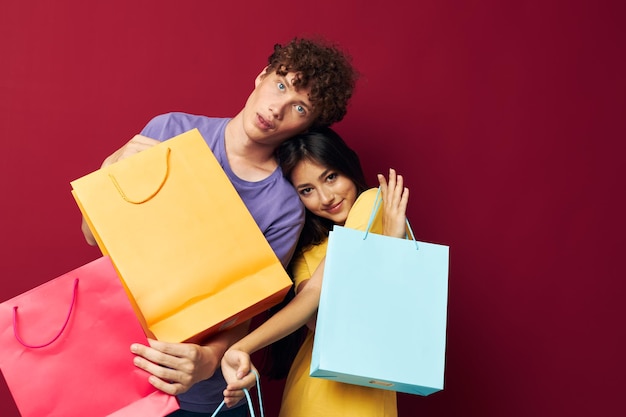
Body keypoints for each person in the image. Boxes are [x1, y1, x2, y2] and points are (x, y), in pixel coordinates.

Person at [80, 38, 358, 416]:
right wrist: (109, 168)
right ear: (261, 76)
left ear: (308, 125)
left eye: (299, 107)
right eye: (280, 85)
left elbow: (242, 313)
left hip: (205, 397)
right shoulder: (170, 130)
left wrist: (207, 360)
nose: (277, 109)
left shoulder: (285, 206)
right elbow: (93, 237)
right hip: (119, 371)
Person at [220, 127, 409, 417]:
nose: (326, 197)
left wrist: (393, 245)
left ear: (347, 166)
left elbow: (388, 311)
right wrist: (241, 348)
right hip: (315, 395)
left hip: (367, 392)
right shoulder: (307, 252)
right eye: (307, 190)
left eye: (330, 177)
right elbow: (321, 319)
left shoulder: (372, 202)